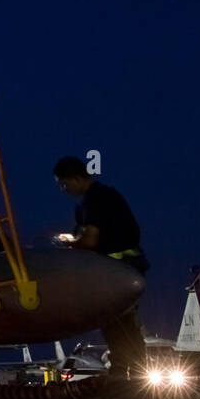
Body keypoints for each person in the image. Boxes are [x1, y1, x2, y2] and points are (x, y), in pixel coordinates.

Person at [53, 156, 150, 380]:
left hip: (115, 270)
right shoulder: (105, 196)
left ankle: (125, 374)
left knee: (117, 325)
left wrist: (69, 244)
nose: (63, 189)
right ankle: (131, 374)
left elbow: (90, 242)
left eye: (64, 183)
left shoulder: (94, 200)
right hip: (126, 268)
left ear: (76, 178)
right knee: (122, 324)